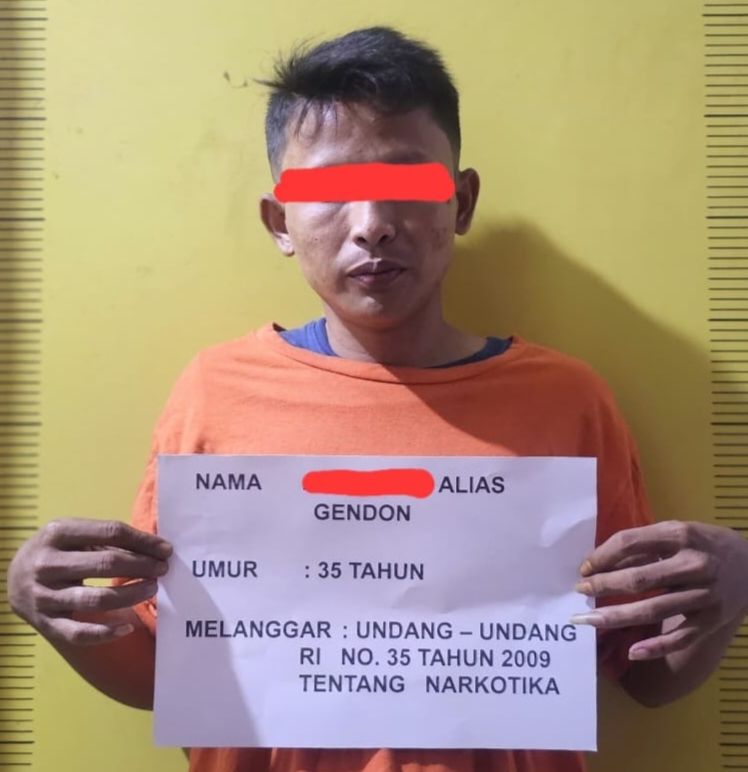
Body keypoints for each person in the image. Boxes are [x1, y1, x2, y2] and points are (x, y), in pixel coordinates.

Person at [7, 24, 748, 772]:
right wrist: (51, 607)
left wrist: (730, 592)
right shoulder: (215, 392)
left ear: (461, 202)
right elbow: (166, 673)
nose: (372, 226)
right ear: (279, 223)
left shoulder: (566, 400)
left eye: (409, 184)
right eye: (326, 193)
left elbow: (643, 672)